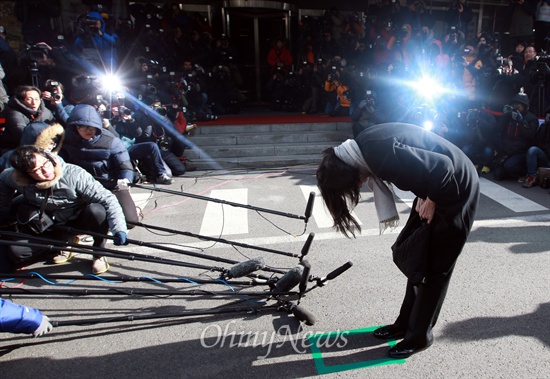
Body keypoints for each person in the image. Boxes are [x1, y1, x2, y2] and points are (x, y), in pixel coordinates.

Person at [316, 122, 479, 358]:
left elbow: (442, 167)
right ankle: (405, 324)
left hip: (454, 187)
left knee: (434, 268)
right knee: (418, 258)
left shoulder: (377, 155)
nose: (359, 186)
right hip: (435, 186)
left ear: (347, 171)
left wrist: (431, 198)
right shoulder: (362, 147)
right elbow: (423, 164)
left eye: (351, 185)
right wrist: (426, 195)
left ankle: (420, 335)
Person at [0, 145, 128, 274]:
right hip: (49, 225)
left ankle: (98, 254)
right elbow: (3, 180)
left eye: (45, 163)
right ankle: (64, 243)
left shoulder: (74, 174)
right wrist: (3, 210)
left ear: (48, 157)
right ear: (25, 174)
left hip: (78, 219)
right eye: (36, 170)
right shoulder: (17, 178)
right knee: (16, 252)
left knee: (97, 211)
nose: (45, 170)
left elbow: (108, 199)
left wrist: (119, 229)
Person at [61, 104, 139, 227]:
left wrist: (125, 180)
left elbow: (125, 166)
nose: (89, 131)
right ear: (76, 126)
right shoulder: (65, 139)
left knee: (130, 222)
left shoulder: (111, 141)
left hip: (111, 185)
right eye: (84, 127)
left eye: (92, 127)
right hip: (81, 187)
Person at [0, 85, 55, 154]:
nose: (34, 103)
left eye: (36, 99)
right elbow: (22, 135)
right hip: (16, 149)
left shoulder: (46, 112)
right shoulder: (14, 114)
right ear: (21, 100)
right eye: (29, 99)